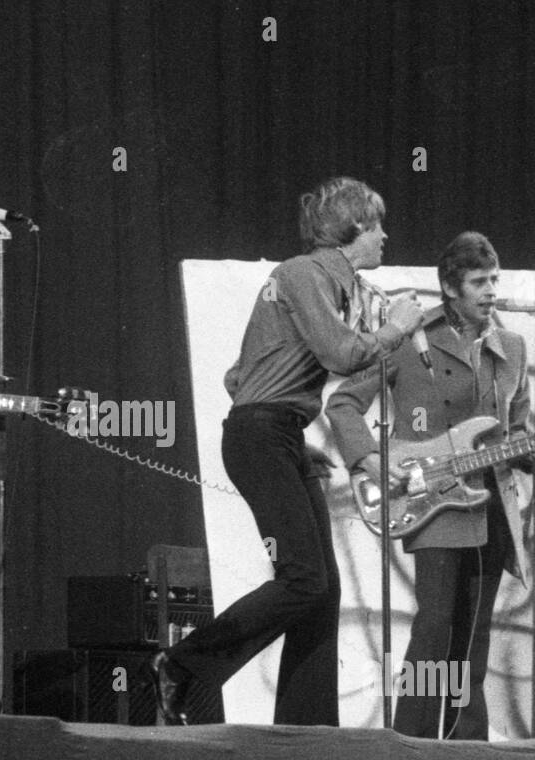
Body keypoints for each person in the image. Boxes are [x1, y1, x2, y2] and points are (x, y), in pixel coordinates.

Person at [150, 176, 424, 726]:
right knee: (302, 578)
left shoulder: (325, 284)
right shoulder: (303, 274)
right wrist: (395, 329)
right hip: (261, 437)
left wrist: (291, 431)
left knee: (322, 590)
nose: (385, 237)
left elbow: (238, 376)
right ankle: (181, 665)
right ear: (353, 228)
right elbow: (342, 354)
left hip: (276, 435)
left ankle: (306, 728)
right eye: (377, 226)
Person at [328, 231, 534, 740]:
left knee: (474, 637)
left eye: (494, 280)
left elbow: (517, 430)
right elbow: (343, 403)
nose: (491, 291)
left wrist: (532, 449)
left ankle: (466, 746)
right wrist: (371, 461)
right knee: (435, 626)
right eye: (479, 282)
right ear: (449, 286)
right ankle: (412, 741)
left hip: (492, 506)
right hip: (434, 503)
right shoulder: (409, 339)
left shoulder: (511, 347)